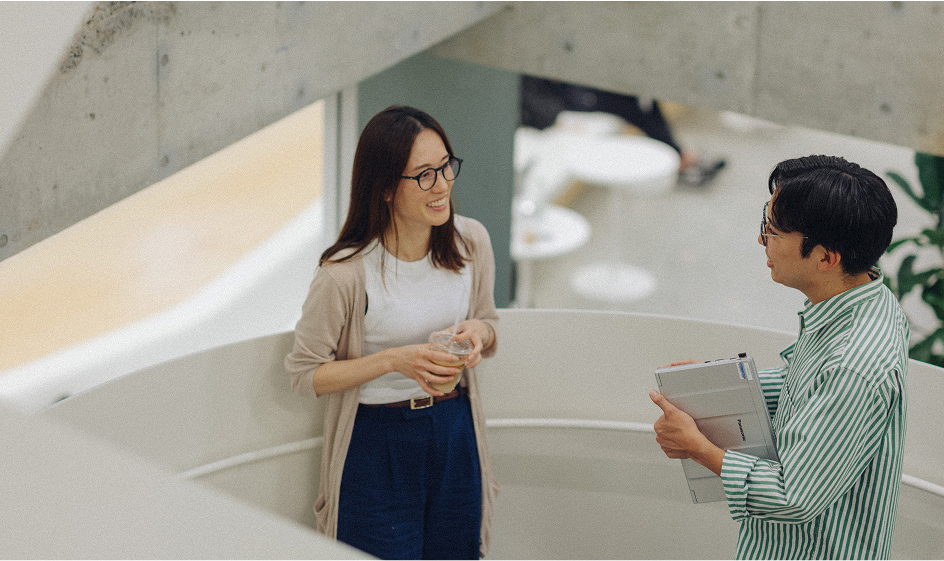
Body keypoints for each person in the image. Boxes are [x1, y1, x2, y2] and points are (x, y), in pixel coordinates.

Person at [649, 155, 908, 559]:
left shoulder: (854, 366)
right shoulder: (866, 301)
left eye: (772, 231)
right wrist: (714, 386)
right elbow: (808, 388)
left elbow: (793, 495)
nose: (761, 241)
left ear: (825, 257)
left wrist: (698, 447)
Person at [285, 105, 500, 560]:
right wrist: (392, 360)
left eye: (445, 167)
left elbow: (490, 323)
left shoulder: (471, 243)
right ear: (384, 188)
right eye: (424, 175)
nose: (442, 185)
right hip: (377, 443)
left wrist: (478, 334)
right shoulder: (344, 274)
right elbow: (305, 374)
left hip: (454, 430)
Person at [519, 75, 726, 186]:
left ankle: (679, 155)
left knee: (641, 99)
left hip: (570, 87)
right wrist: (556, 119)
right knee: (631, 105)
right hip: (559, 100)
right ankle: (680, 157)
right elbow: (532, 105)